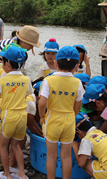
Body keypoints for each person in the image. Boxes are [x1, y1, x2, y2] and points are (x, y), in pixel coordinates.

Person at [38, 46, 84, 179]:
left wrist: (42, 117)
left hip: (53, 119)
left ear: (56, 63)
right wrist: (72, 115)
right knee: (66, 156)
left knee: (51, 156)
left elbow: (41, 103)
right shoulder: (77, 82)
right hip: (69, 119)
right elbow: (78, 104)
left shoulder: (49, 80)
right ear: (76, 66)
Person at [0, 45, 32, 179]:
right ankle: (21, 173)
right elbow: (28, 93)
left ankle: (7, 174)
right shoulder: (26, 79)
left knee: (3, 146)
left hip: (8, 116)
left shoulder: (3, 80)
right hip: (22, 116)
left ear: (6, 63)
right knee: (16, 146)